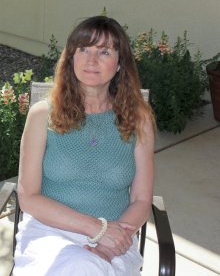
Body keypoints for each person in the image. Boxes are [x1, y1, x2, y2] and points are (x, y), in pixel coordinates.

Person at [13, 16, 155, 276]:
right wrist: (95, 229)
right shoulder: (42, 115)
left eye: (104, 52)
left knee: (86, 266)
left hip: (116, 236)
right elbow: (28, 197)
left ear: (120, 63)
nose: (91, 60)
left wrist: (111, 241)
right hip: (49, 233)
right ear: (71, 57)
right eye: (84, 50)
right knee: (81, 265)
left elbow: (142, 199)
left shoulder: (138, 119)